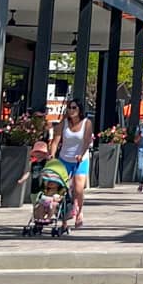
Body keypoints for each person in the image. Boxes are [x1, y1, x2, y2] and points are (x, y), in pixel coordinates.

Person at [54, 97, 93, 230]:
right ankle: (64, 219)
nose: (71, 110)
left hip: (80, 159)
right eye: (69, 108)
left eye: (74, 108)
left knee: (78, 188)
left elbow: (87, 141)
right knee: (61, 190)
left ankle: (79, 213)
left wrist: (81, 155)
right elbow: (55, 141)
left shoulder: (86, 123)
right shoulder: (63, 124)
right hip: (64, 158)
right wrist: (51, 156)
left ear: (80, 109)